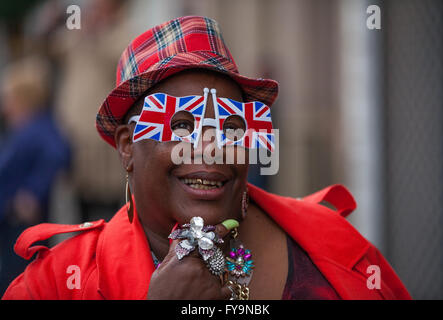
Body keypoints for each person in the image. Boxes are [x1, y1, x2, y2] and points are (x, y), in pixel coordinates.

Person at [2, 16, 410, 300]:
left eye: (232, 127)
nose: (211, 146)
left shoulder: (338, 249)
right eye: (180, 125)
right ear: (127, 146)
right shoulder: (57, 283)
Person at [0, 56, 71, 294]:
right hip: (11, 220)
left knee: (20, 279)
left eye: (8, 98)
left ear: (23, 98)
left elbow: (58, 153)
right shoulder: (20, 128)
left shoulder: (38, 127)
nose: (4, 105)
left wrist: (32, 190)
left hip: (21, 224)